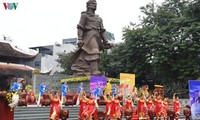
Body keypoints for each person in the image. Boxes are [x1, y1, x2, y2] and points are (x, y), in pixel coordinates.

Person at [71, 0, 113, 76]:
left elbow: (102, 31)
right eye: (93, 4)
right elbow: (80, 27)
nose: (95, 5)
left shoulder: (99, 18)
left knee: (95, 53)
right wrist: (80, 39)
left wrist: (105, 42)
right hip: (89, 36)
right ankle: (94, 71)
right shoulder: (84, 15)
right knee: (94, 52)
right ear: (88, 5)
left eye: (96, 4)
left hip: (97, 37)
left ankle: (88, 69)